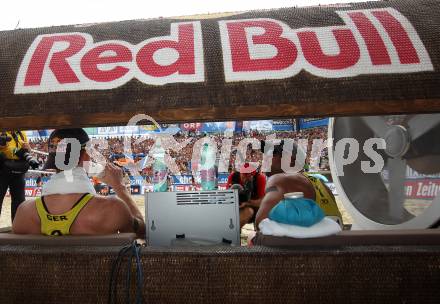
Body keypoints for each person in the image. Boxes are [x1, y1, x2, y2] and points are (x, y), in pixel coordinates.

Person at [12, 128, 145, 237]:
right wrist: (119, 187)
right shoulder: (113, 208)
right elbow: (141, 231)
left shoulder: (24, 212)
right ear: (86, 156)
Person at [255, 140, 343, 228]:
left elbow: (261, 223)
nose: (265, 157)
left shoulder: (280, 179)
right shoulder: (322, 186)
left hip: (308, 240)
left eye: (273, 153)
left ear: (291, 160)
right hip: (332, 239)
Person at [0, 130, 38, 221]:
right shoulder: (1, 131)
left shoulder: (22, 133)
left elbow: (27, 151)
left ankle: (17, 227)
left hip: (18, 170)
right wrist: (15, 151)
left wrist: (28, 149)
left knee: (19, 201)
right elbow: (7, 150)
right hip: (1, 169)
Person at [227, 162, 266, 228]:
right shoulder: (233, 176)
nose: (247, 177)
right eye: (245, 174)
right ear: (240, 172)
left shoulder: (260, 178)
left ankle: (259, 232)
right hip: (235, 207)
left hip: (254, 207)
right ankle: (232, 231)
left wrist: (247, 203)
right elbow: (226, 197)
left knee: (249, 211)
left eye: (250, 175)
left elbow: (263, 201)